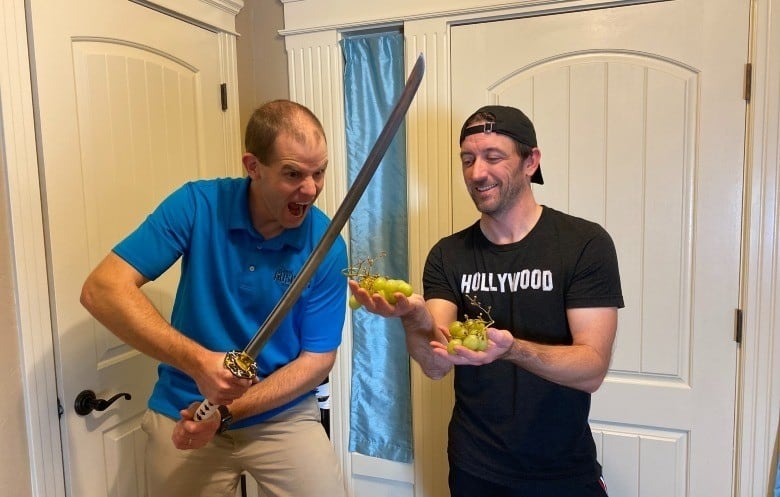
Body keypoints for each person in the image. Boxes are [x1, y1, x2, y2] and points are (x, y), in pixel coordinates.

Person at [349, 105, 623, 497]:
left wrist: (512, 350)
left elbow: (591, 368)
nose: (477, 173)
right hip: (475, 470)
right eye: (468, 159)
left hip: (561, 471)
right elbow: (435, 364)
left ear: (531, 161)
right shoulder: (448, 255)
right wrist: (412, 316)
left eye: (494, 157)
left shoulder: (584, 244)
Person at [81, 100, 348, 497]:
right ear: (253, 167)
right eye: (293, 174)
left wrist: (226, 411)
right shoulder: (197, 206)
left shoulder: (326, 245)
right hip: (186, 408)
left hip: (280, 414)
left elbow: (317, 360)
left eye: (319, 173)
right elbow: (102, 290)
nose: (310, 190)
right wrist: (200, 364)